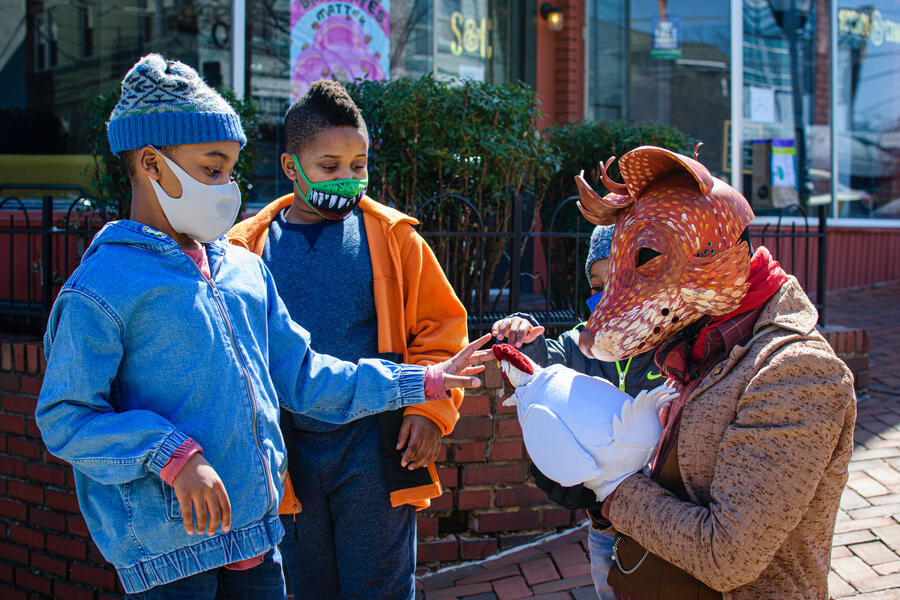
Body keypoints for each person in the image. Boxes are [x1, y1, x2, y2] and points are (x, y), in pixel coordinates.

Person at [35, 54, 487, 599]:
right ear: (152, 165)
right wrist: (170, 457)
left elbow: (305, 377)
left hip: (259, 543)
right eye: (212, 168)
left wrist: (423, 385)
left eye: (231, 169)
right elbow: (66, 417)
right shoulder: (101, 287)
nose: (228, 186)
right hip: (171, 561)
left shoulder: (242, 268)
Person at [574, 145, 855, 598]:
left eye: (648, 259)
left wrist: (613, 490)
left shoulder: (799, 373)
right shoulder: (700, 348)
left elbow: (727, 556)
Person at [227, 80, 468, 599]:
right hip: (287, 456)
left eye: (358, 165)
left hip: (376, 454)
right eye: (329, 166)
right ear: (292, 168)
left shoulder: (396, 238)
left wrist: (429, 413)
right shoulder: (243, 250)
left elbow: (440, 332)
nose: (348, 178)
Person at [491, 224, 662, 600]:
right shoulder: (580, 342)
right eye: (596, 287)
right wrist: (523, 340)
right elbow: (543, 365)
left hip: (661, 521)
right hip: (603, 527)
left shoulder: (667, 346)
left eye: (616, 280)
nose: (604, 295)